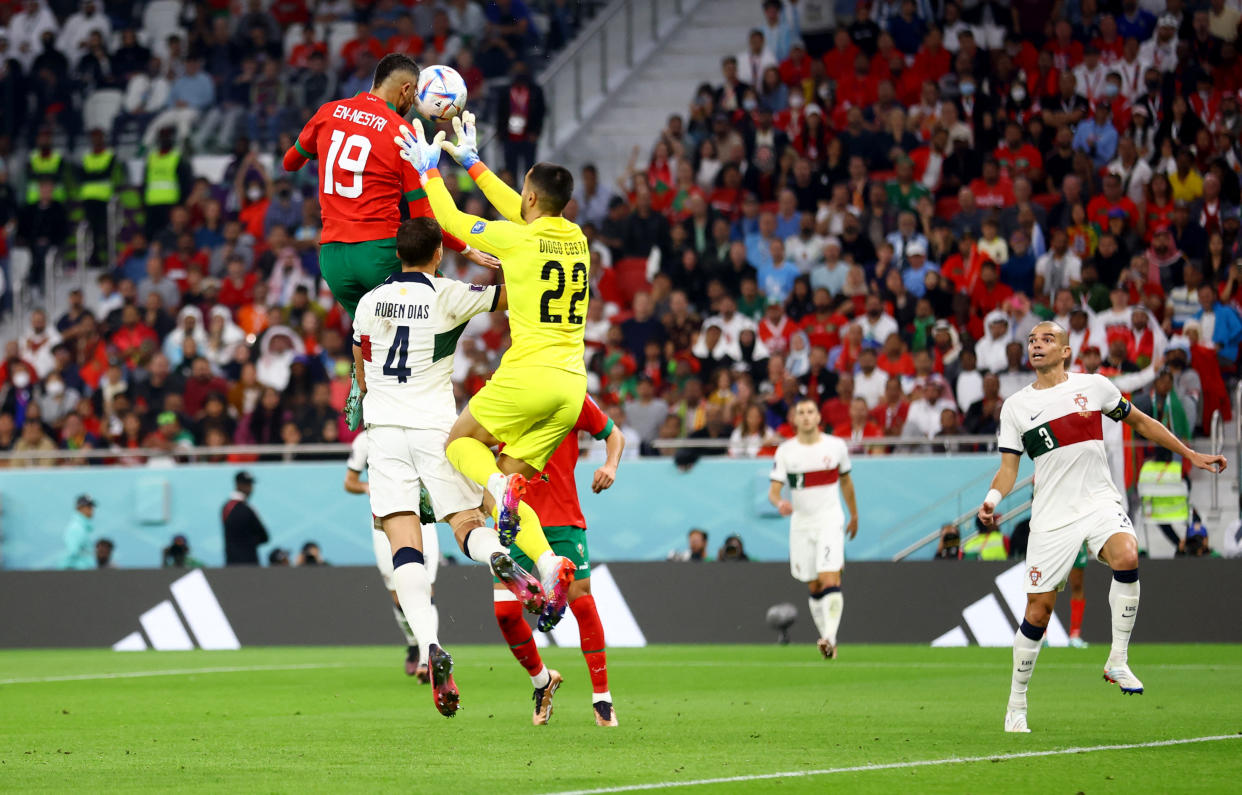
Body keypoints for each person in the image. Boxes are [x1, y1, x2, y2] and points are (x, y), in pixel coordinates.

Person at [980, 321, 1227, 733]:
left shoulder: (1095, 387)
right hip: (1052, 516)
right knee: (1038, 611)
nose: (1036, 345)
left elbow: (1143, 423)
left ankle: (1117, 658)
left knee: (1128, 553)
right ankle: (1016, 703)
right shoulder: (1016, 407)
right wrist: (991, 500)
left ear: (1065, 351)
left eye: (1046, 340)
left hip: (1098, 501)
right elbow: (1009, 469)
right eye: (1031, 341)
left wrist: (1190, 453)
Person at [402, 110, 585, 631]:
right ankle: (549, 564)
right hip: (571, 388)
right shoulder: (576, 238)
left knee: (460, 443)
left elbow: (454, 223)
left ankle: (504, 501)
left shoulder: (518, 240)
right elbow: (524, 209)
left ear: (529, 199)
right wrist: (476, 164)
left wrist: (429, 172)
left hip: (529, 375)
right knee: (502, 484)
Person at [352, 216, 541, 718]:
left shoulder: (369, 302)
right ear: (437, 253)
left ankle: (431, 643)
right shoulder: (448, 293)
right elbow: (511, 296)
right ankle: (496, 556)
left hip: (384, 432)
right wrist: (502, 260)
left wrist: (361, 394)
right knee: (465, 522)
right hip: (435, 428)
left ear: (398, 253)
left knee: (402, 542)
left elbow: (360, 369)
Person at [282, 53, 498, 429]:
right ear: (408, 89)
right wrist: (464, 247)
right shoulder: (400, 132)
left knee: (366, 329)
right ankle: (423, 418)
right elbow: (423, 217)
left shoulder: (328, 112)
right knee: (444, 303)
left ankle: (361, 387)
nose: (412, 105)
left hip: (332, 259)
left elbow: (289, 162)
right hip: (380, 254)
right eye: (412, 98)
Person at [492, 394, 625, 727]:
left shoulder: (571, 396)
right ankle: (542, 681)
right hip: (516, 519)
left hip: (563, 519)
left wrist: (610, 465)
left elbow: (614, 435)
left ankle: (602, 698)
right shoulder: (506, 394)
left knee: (581, 601)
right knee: (506, 613)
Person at [344, 429, 440, 681]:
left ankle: (427, 657)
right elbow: (349, 481)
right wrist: (365, 487)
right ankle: (413, 641)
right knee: (398, 594)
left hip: (422, 519)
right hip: (384, 519)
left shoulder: (419, 429)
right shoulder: (366, 439)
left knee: (423, 587)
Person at [768, 398, 858, 660]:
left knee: (830, 577)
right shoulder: (786, 451)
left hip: (830, 519)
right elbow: (774, 492)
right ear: (794, 419)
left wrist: (854, 514)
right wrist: (780, 502)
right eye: (801, 413)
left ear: (819, 417)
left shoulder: (836, 446)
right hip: (801, 524)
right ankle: (828, 643)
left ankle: (829, 637)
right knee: (815, 585)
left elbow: (847, 484)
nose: (806, 417)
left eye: (810, 412)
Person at [221, 471, 269, 565]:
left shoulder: (227, 507)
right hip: (248, 562)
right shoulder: (246, 508)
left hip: (232, 561)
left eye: (250, 485)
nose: (250, 488)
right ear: (238, 484)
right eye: (247, 484)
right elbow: (263, 536)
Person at [60, 494, 96, 570]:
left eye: (92, 506)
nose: (92, 509)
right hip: (79, 573)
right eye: (88, 506)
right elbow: (72, 552)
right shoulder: (76, 528)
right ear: (79, 508)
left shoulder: (82, 527)